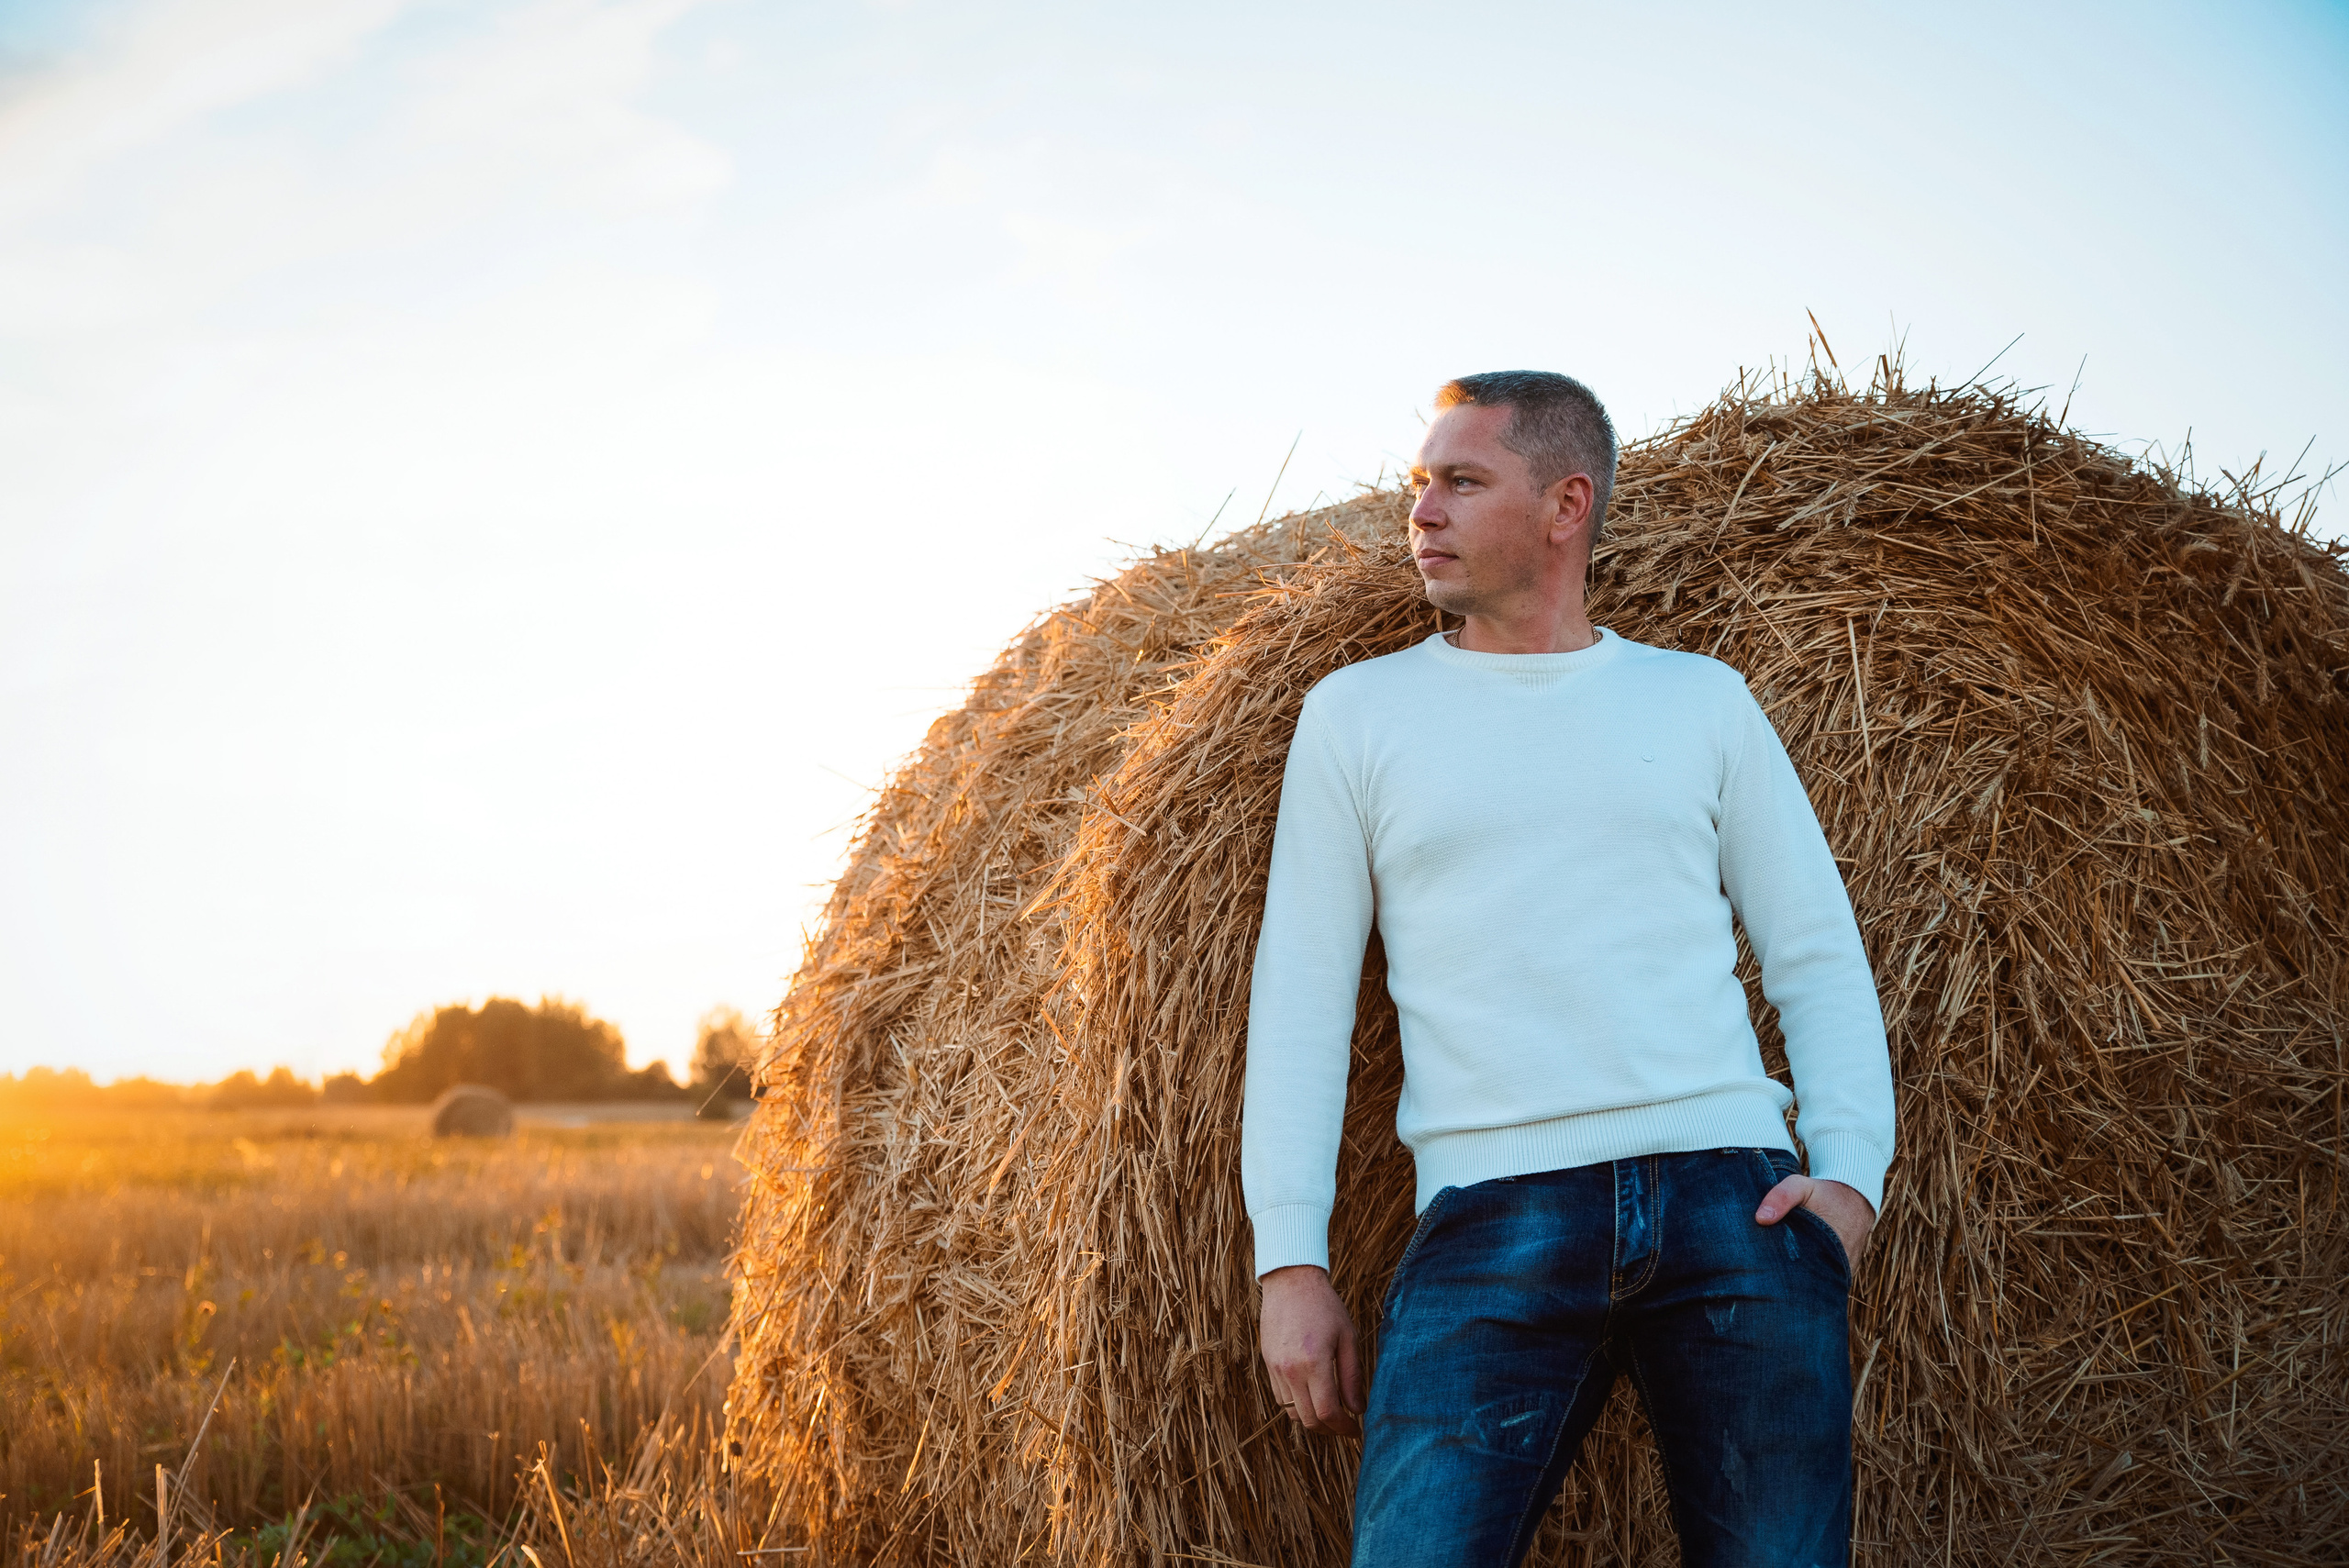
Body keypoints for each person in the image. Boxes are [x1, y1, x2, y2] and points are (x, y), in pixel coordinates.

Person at [1241, 371, 1897, 1567]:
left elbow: (1814, 950)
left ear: (1565, 504)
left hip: (1732, 1205)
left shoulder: (1699, 700)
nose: (1422, 511)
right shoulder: (1357, 716)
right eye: (1416, 483)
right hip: (1494, 1212)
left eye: (1462, 480)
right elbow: (1301, 995)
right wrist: (1292, 1260)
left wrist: (1851, 1181)